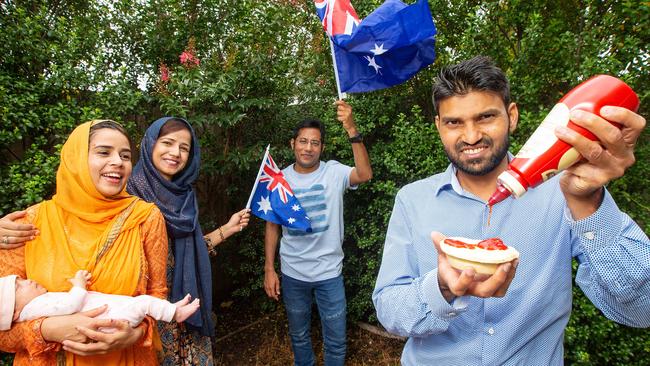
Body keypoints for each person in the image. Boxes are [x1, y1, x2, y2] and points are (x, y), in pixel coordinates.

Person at [372, 56, 650, 365]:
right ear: (438, 126)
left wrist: (587, 204)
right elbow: (389, 310)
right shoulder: (412, 200)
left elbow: (643, 310)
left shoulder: (568, 191)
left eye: (486, 117)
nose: (471, 136)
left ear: (512, 116)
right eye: (454, 122)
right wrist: (442, 287)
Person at [0, 120, 169, 365]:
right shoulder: (29, 223)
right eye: (103, 152)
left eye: (125, 155)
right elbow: (3, 332)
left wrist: (135, 334)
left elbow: (157, 296)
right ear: (75, 158)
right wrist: (48, 330)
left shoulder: (145, 217)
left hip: (128, 358)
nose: (118, 162)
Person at [126, 117, 250, 366]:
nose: (176, 153)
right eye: (168, 143)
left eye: (184, 148)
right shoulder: (128, 193)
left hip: (187, 311)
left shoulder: (183, 197)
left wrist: (228, 228)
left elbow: (189, 251)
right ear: (150, 144)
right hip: (146, 317)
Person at [263, 100, 372, 366]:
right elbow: (272, 225)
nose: (308, 148)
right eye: (303, 141)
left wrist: (351, 129)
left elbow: (365, 174)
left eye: (314, 143)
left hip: (329, 273)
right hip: (293, 273)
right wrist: (269, 268)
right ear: (293, 144)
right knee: (299, 335)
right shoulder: (280, 180)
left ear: (321, 147)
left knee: (336, 338)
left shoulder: (334, 172)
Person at [1, 270, 199, 327]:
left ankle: (172, 308)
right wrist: (79, 285)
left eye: (21, 280)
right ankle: (176, 313)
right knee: (143, 302)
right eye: (18, 287)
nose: (26, 281)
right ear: (15, 312)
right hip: (111, 320)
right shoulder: (35, 307)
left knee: (142, 302)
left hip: (110, 314)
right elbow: (70, 305)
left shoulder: (36, 305)